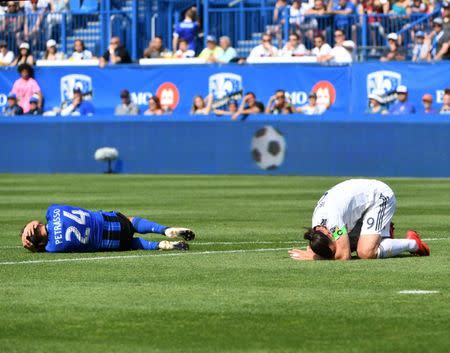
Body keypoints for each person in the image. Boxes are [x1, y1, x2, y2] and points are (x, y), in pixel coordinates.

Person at [288, 179, 430, 261]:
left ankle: (413, 244)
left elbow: (344, 256)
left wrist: (316, 258)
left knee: (365, 253)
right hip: (361, 210)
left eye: (333, 247)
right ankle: (382, 235)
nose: (335, 249)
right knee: (353, 245)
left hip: (379, 196)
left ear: (329, 233)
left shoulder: (333, 225)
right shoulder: (320, 230)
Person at [20, 204, 195, 253]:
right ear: (37, 225)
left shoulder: (53, 247)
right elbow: (42, 219)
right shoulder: (53, 210)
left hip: (110, 242)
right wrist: (31, 222)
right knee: (131, 221)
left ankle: (158, 245)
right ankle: (165, 230)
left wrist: (34, 246)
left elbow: (42, 247)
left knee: (133, 244)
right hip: (107, 220)